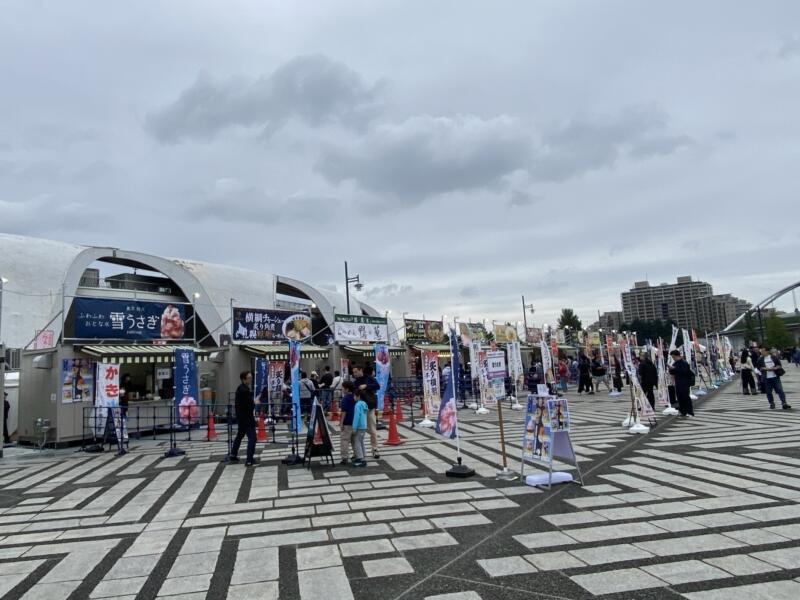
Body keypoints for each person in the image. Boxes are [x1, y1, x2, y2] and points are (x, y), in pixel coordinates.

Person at [229, 371, 258, 466]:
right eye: (249, 378)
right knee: (252, 438)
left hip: (240, 417)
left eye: (251, 377)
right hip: (247, 418)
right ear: (243, 379)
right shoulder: (245, 390)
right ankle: (249, 460)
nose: (251, 379)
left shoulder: (240, 388)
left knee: (240, 435)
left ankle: (233, 454)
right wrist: (255, 402)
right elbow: (250, 406)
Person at [352, 364, 381, 459]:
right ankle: (358, 451)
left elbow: (377, 386)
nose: (354, 374)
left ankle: (375, 449)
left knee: (372, 429)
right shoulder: (355, 382)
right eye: (353, 372)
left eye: (356, 372)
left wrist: (366, 386)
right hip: (359, 409)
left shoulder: (369, 378)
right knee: (359, 430)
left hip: (370, 407)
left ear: (361, 370)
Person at [669, 350, 694, 417]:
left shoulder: (684, 362)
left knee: (686, 397)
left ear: (676, 356)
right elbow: (672, 372)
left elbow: (684, 372)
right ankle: (683, 411)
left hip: (684, 382)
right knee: (680, 397)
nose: (673, 358)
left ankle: (690, 412)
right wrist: (671, 369)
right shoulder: (676, 363)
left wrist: (675, 368)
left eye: (673, 357)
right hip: (678, 382)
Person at [338, 381, 355, 465]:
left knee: (344, 440)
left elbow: (344, 412)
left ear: (347, 389)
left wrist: (341, 423)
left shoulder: (345, 399)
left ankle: (344, 457)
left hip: (347, 422)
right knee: (354, 440)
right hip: (355, 422)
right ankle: (357, 455)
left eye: (343, 388)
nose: (342, 389)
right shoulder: (355, 397)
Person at [351, 388, 368, 467]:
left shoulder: (357, 405)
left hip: (359, 426)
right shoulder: (364, 403)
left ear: (358, 396)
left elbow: (356, 416)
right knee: (361, 442)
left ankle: (360, 459)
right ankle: (363, 457)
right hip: (364, 426)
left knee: (357, 442)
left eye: (354, 396)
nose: (353, 397)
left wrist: (354, 427)